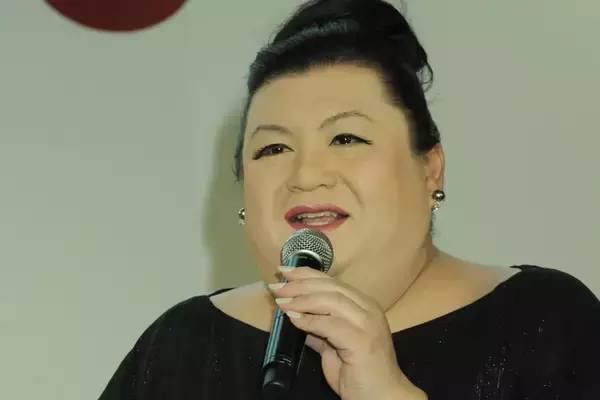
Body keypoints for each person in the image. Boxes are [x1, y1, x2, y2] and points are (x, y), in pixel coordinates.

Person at [98, 0, 600, 399]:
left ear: (430, 169)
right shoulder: (181, 344)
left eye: (346, 138)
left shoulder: (544, 320)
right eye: (273, 149)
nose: (305, 175)